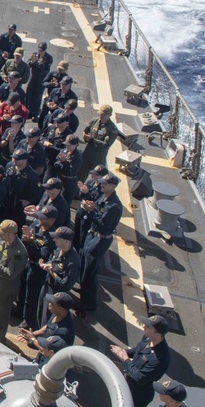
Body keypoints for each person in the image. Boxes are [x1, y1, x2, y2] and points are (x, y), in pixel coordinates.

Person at [78, 173, 123, 316]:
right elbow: (96, 207)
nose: (101, 185)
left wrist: (90, 212)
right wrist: (88, 200)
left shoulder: (114, 206)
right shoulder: (103, 196)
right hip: (92, 235)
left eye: (105, 183)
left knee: (90, 272)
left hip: (100, 239)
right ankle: (84, 293)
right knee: (84, 265)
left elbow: (103, 225)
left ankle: (88, 303)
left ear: (113, 186)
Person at [111, 315, 173, 407]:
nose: (144, 326)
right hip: (129, 382)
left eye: (148, 327)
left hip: (138, 394)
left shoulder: (160, 359)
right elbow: (137, 351)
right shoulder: (147, 338)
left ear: (157, 335)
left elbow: (140, 377)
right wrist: (123, 352)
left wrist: (125, 359)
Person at [0, 219, 28, 342]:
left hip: (6, 287)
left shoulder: (19, 252)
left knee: (1, 314)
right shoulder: (2, 241)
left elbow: (11, 274)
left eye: (2, 233)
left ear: (11, 234)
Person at [18, 292, 76, 366]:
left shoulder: (63, 332)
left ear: (61, 308)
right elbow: (48, 326)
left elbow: (48, 351)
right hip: (44, 351)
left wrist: (32, 340)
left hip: (50, 362)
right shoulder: (59, 313)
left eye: (52, 303)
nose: (49, 303)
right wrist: (33, 334)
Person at [80, 104, 118, 179]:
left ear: (109, 115)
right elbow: (86, 130)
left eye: (104, 115)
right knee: (80, 175)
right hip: (87, 153)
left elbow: (106, 145)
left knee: (95, 179)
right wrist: (85, 136)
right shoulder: (94, 121)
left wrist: (92, 140)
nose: (101, 116)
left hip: (98, 157)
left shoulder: (112, 129)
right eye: (100, 114)